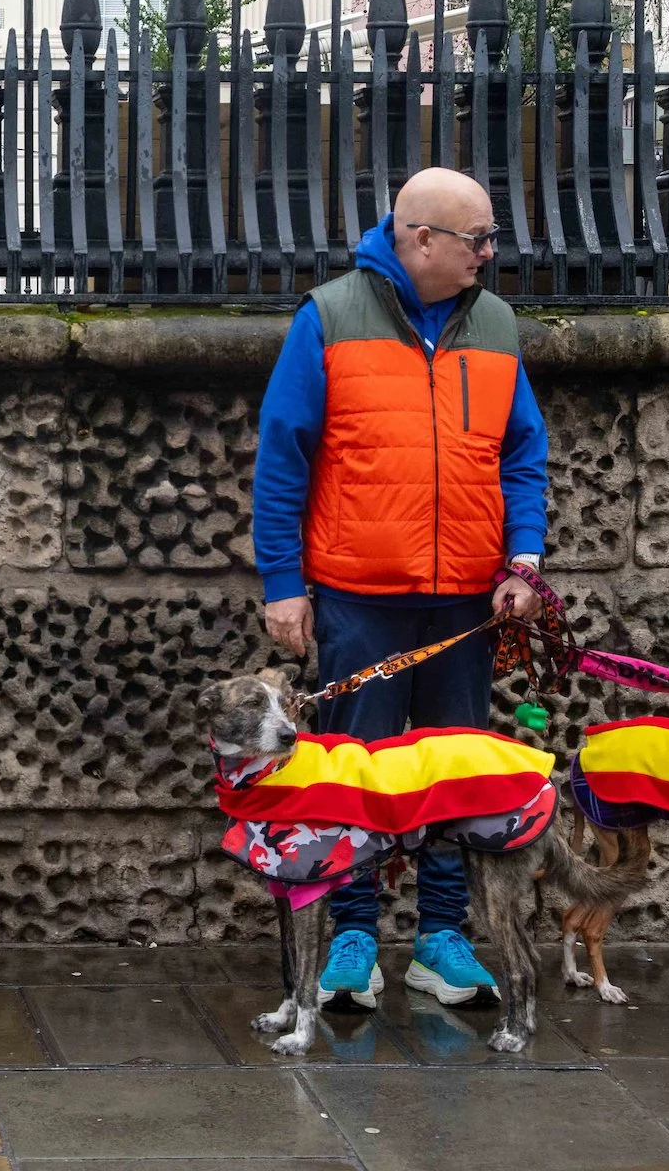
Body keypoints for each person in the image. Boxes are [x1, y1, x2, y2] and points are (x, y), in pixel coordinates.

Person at [250, 167, 549, 1009]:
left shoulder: (495, 326)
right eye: (476, 238)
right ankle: (353, 934)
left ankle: (441, 937)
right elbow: (284, 456)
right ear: (421, 238)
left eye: (491, 237)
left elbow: (523, 453)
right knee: (356, 773)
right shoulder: (329, 316)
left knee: (456, 774)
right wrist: (285, 584)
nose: (489, 254)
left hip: (465, 596)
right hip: (358, 595)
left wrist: (522, 558)